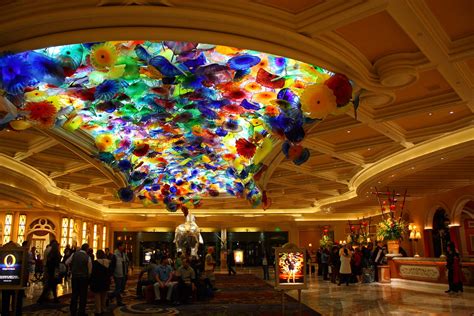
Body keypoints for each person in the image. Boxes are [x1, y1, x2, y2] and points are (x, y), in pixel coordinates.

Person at [66, 243, 92, 316]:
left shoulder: (74, 254)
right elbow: (90, 270)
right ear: (87, 249)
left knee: (74, 294)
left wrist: (73, 267)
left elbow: (66, 262)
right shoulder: (87, 257)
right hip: (84, 279)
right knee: (83, 295)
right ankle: (81, 312)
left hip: (74, 277)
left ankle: (73, 311)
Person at [38, 240, 61, 304]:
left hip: (48, 269)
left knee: (50, 284)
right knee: (50, 284)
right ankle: (42, 298)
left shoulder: (47, 250)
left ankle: (48, 297)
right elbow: (55, 262)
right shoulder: (53, 252)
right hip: (52, 270)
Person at [90, 250, 111, 315]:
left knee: (97, 296)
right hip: (105, 281)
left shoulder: (95, 263)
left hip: (97, 281)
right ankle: (103, 308)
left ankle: (98, 310)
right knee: (104, 296)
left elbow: (92, 273)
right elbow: (109, 272)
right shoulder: (108, 262)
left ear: (97, 255)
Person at [109, 241, 129, 306]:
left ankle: (111, 296)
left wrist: (127, 272)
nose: (124, 247)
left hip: (124, 274)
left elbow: (126, 262)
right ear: (119, 246)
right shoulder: (115, 255)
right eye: (123, 245)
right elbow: (112, 266)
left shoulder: (124, 254)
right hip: (118, 274)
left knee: (121, 289)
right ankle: (117, 300)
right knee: (118, 289)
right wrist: (111, 275)